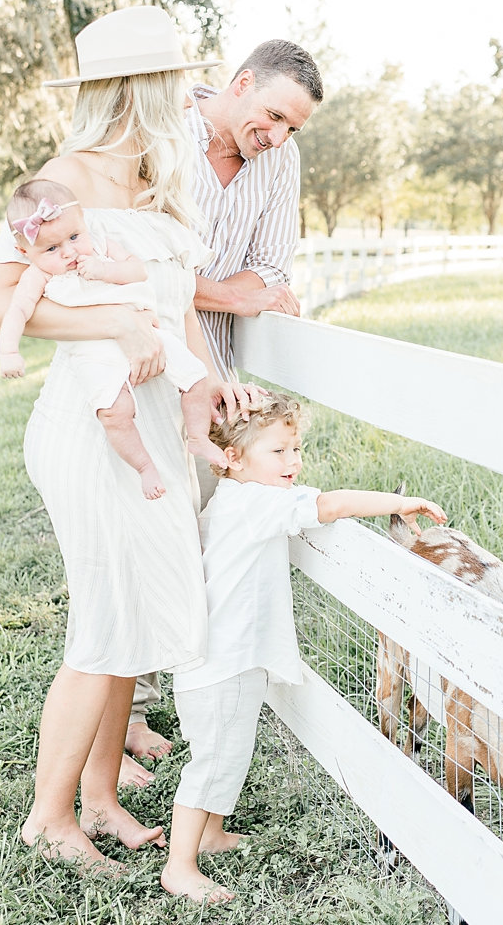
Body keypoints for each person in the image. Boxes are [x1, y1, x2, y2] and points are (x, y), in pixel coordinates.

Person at [0, 5, 259, 873]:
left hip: (158, 434)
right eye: (174, 85)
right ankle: (48, 819)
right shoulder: (60, 181)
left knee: (131, 619)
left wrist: (208, 383)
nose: (186, 98)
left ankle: (99, 797)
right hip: (92, 432)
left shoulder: (154, 181)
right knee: (102, 624)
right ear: (141, 89)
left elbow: (179, 302)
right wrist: (116, 331)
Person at [124, 38, 327, 766]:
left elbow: (271, 271)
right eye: (272, 115)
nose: (276, 135)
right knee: (144, 529)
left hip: (222, 383)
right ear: (239, 85)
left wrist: (210, 287)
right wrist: (214, 288)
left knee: (199, 536)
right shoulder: (163, 131)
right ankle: (130, 712)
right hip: (145, 360)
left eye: (292, 127)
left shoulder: (279, 159)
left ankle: (180, 687)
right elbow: (142, 268)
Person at [159, 393, 447, 902]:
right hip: (221, 665)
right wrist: (398, 502)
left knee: (230, 751)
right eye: (279, 452)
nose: (293, 462)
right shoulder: (255, 503)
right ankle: (179, 866)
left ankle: (210, 832)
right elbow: (330, 505)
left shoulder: (239, 497)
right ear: (231, 458)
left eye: (297, 449)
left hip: (231, 658)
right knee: (212, 759)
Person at [0, 178, 227, 499]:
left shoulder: (102, 247)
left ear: (84, 225)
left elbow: (137, 272)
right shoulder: (39, 275)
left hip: (148, 332)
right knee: (115, 412)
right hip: (94, 350)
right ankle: (144, 467)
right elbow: (17, 310)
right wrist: (9, 351)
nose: (69, 252)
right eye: (51, 248)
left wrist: (104, 271)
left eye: (75, 236)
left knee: (197, 378)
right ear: (25, 251)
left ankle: (198, 437)